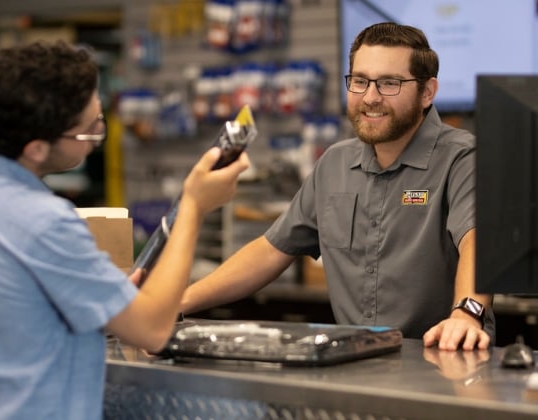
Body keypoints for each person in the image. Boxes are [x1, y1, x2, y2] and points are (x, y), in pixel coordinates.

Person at [0, 41, 249, 420]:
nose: (97, 135)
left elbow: (0, 315)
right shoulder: (43, 220)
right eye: (89, 132)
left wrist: (99, 298)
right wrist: (194, 207)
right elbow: (151, 330)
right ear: (36, 148)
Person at [181, 22, 495, 351]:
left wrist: (466, 314)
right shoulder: (334, 164)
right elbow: (270, 251)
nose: (370, 98)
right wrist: (178, 302)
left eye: (389, 83)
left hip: (441, 360)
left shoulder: (462, 158)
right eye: (360, 81)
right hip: (354, 363)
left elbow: (478, 241)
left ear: (427, 92)